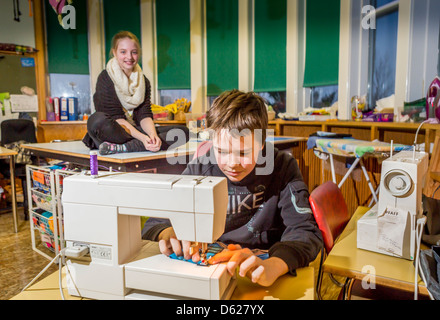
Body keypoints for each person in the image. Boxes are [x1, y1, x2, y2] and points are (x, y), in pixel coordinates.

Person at [142, 89, 323, 287]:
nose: (232, 163)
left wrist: (274, 265)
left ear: (262, 143)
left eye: (243, 152)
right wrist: (168, 232)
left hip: (263, 269)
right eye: (221, 151)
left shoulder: (282, 166)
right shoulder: (200, 168)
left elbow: (305, 232)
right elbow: (153, 223)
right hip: (211, 269)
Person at [82, 31, 189, 155]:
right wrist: (143, 138)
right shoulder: (105, 78)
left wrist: (152, 136)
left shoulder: (144, 82)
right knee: (97, 120)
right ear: (114, 53)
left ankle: (122, 148)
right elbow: (116, 118)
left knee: (182, 132)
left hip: (135, 130)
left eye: (134, 52)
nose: (129, 57)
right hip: (113, 131)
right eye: (123, 52)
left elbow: (144, 115)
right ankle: (135, 144)